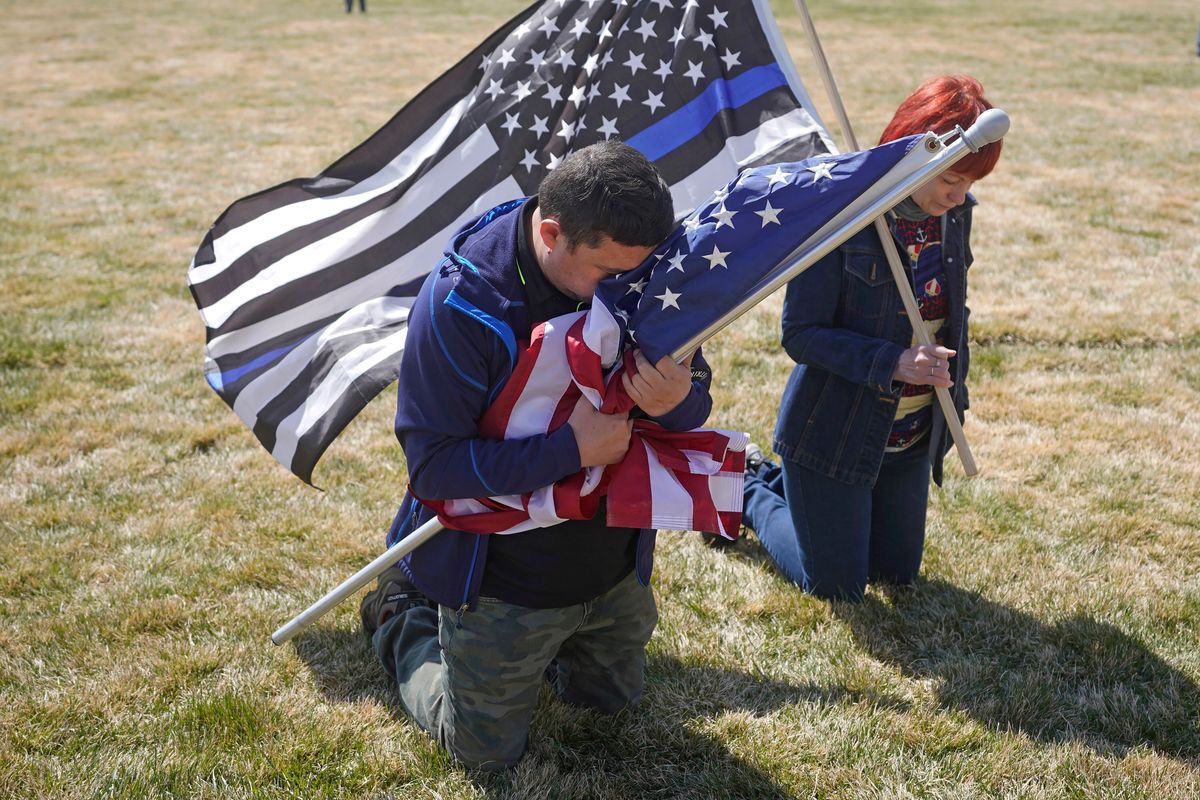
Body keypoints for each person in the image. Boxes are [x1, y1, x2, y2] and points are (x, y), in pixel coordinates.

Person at [360, 142, 714, 770]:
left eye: (642, 272)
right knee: (484, 758)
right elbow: (435, 469)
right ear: (552, 233)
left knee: (611, 706)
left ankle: (576, 640)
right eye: (611, 276)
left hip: (612, 567)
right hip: (503, 583)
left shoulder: (638, 263)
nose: (630, 289)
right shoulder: (462, 303)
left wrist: (678, 401)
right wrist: (571, 449)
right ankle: (399, 613)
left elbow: (695, 399)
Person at [735, 75, 1004, 601]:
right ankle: (747, 487)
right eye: (952, 179)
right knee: (837, 586)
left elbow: (953, 308)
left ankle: (798, 498)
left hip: (909, 437)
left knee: (895, 575)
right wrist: (894, 362)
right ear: (915, 152)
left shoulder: (953, 216)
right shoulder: (844, 217)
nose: (959, 197)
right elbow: (801, 335)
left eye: (970, 184)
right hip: (834, 433)